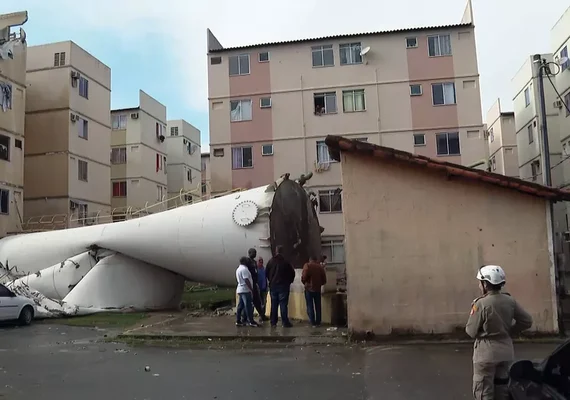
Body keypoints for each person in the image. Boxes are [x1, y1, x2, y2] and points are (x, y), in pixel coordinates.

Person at [465, 265, 533, 400]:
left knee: (484, 391)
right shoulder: (510, 301)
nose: (479, 285)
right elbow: (527, 321)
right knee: (502, 389)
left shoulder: (481, 304)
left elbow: (471, 331)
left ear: (485, 284)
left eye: (480, 282)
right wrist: (509, 331)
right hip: (506, 351)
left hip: (486, 353)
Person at [265, 245, 296, 328]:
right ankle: (285, 322)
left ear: (276, 251)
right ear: (282, 251)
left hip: (273, 285)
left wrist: (271, 280)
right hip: (283, 286)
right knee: (283, 304)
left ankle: (273, 322)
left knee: (274, 304)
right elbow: (292, 273)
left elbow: (266, 273)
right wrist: (289, 282)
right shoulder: (286, 262)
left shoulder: (271, 261)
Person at [301, 255, 327, 327]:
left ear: (310, 260)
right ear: (316, 260)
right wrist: (319, 284)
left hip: (308, 289)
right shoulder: (320, 267)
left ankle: (312, 322)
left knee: (310, 306)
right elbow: (324, 280)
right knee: (318, 306)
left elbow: (304, 277)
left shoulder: (307, 265)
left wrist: (305, 283)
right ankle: (318, 322)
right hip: (317, 289)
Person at [235, 256, 258, 327]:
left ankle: (238, 320)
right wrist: (251, 288)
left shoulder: (238, 269)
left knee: (240, 306)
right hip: (245, 289)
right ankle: (251, 321)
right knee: (248, 306)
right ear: (245, 262)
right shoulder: (244, 269)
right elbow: (246, 280)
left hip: (240, 289)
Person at [246, 248, 267, 321]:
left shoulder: (254, 262)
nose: (255, 254)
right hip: (249, 284)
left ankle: (262, 315)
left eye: (255, 253)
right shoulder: (247, 262)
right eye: (253, 253)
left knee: (257, 301)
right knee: (248, 302)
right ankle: (246, 318)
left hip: (254, 283)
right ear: (249, 253)